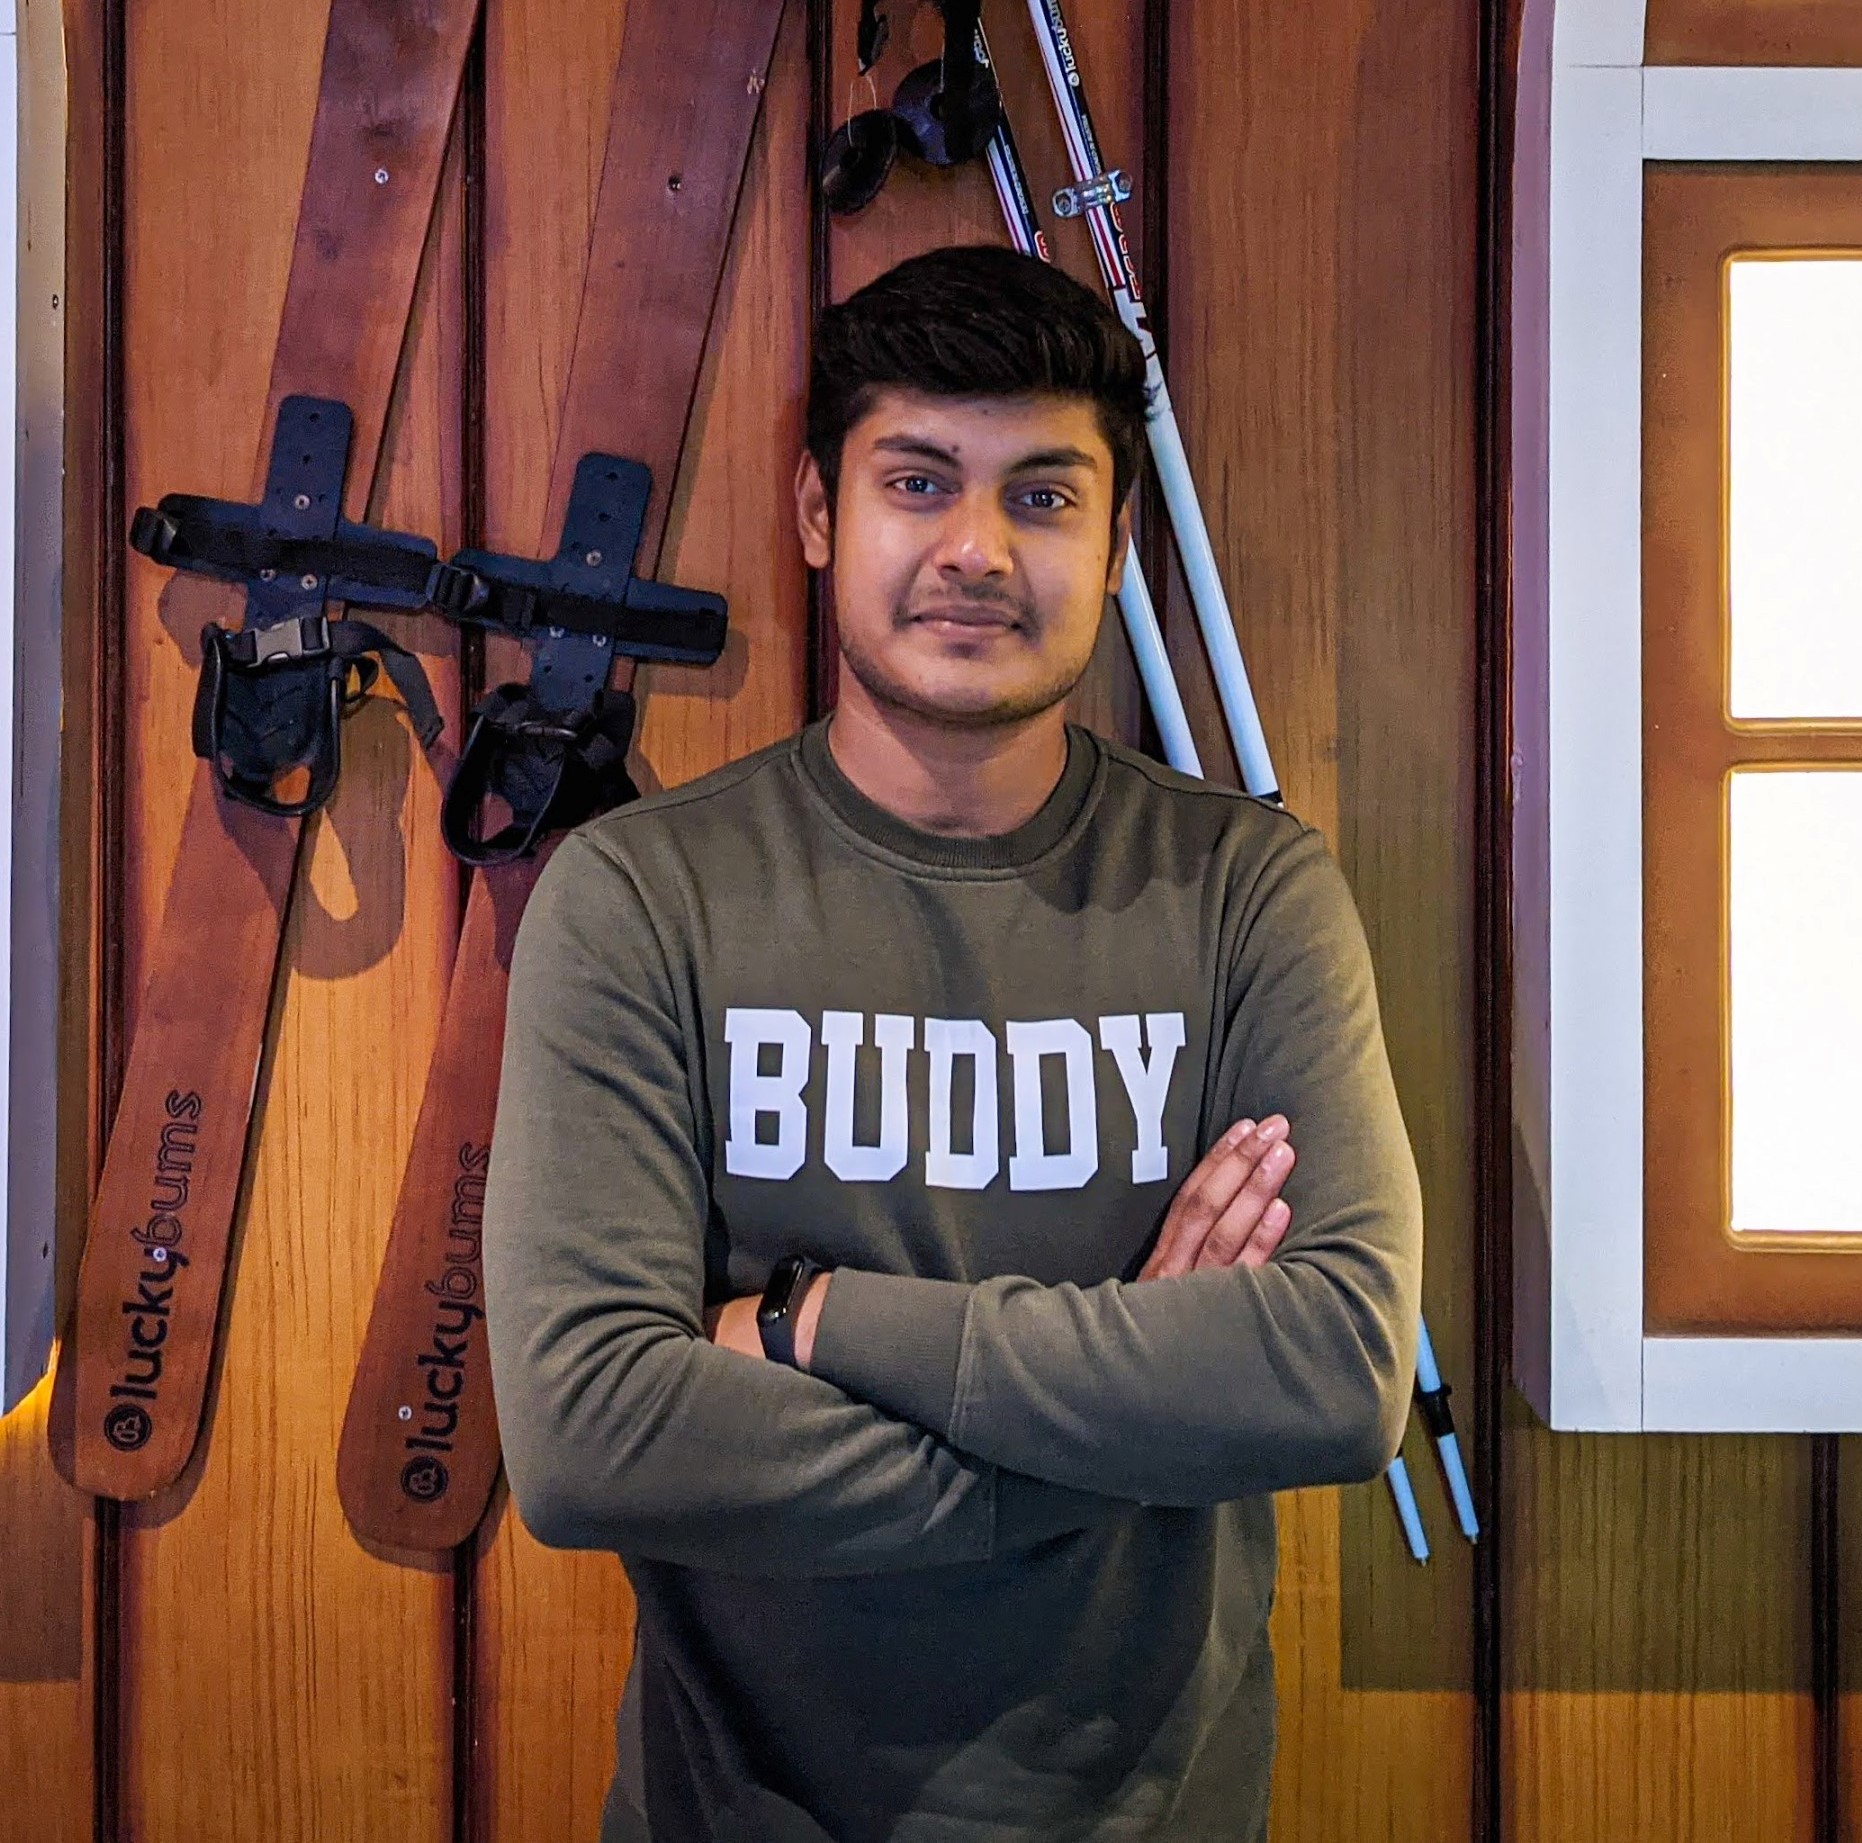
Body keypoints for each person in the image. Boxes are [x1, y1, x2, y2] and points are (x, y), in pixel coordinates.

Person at [483, 243, 1423, 1843]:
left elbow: (1332, 1373)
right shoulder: (643, 897)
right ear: (817, 513)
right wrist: (1134, 1415)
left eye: (1042, 497)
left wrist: (817, 1321)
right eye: (917, 482)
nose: (976, 550)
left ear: (1116, 545)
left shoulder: (1244, 891)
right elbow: (592, 1435)